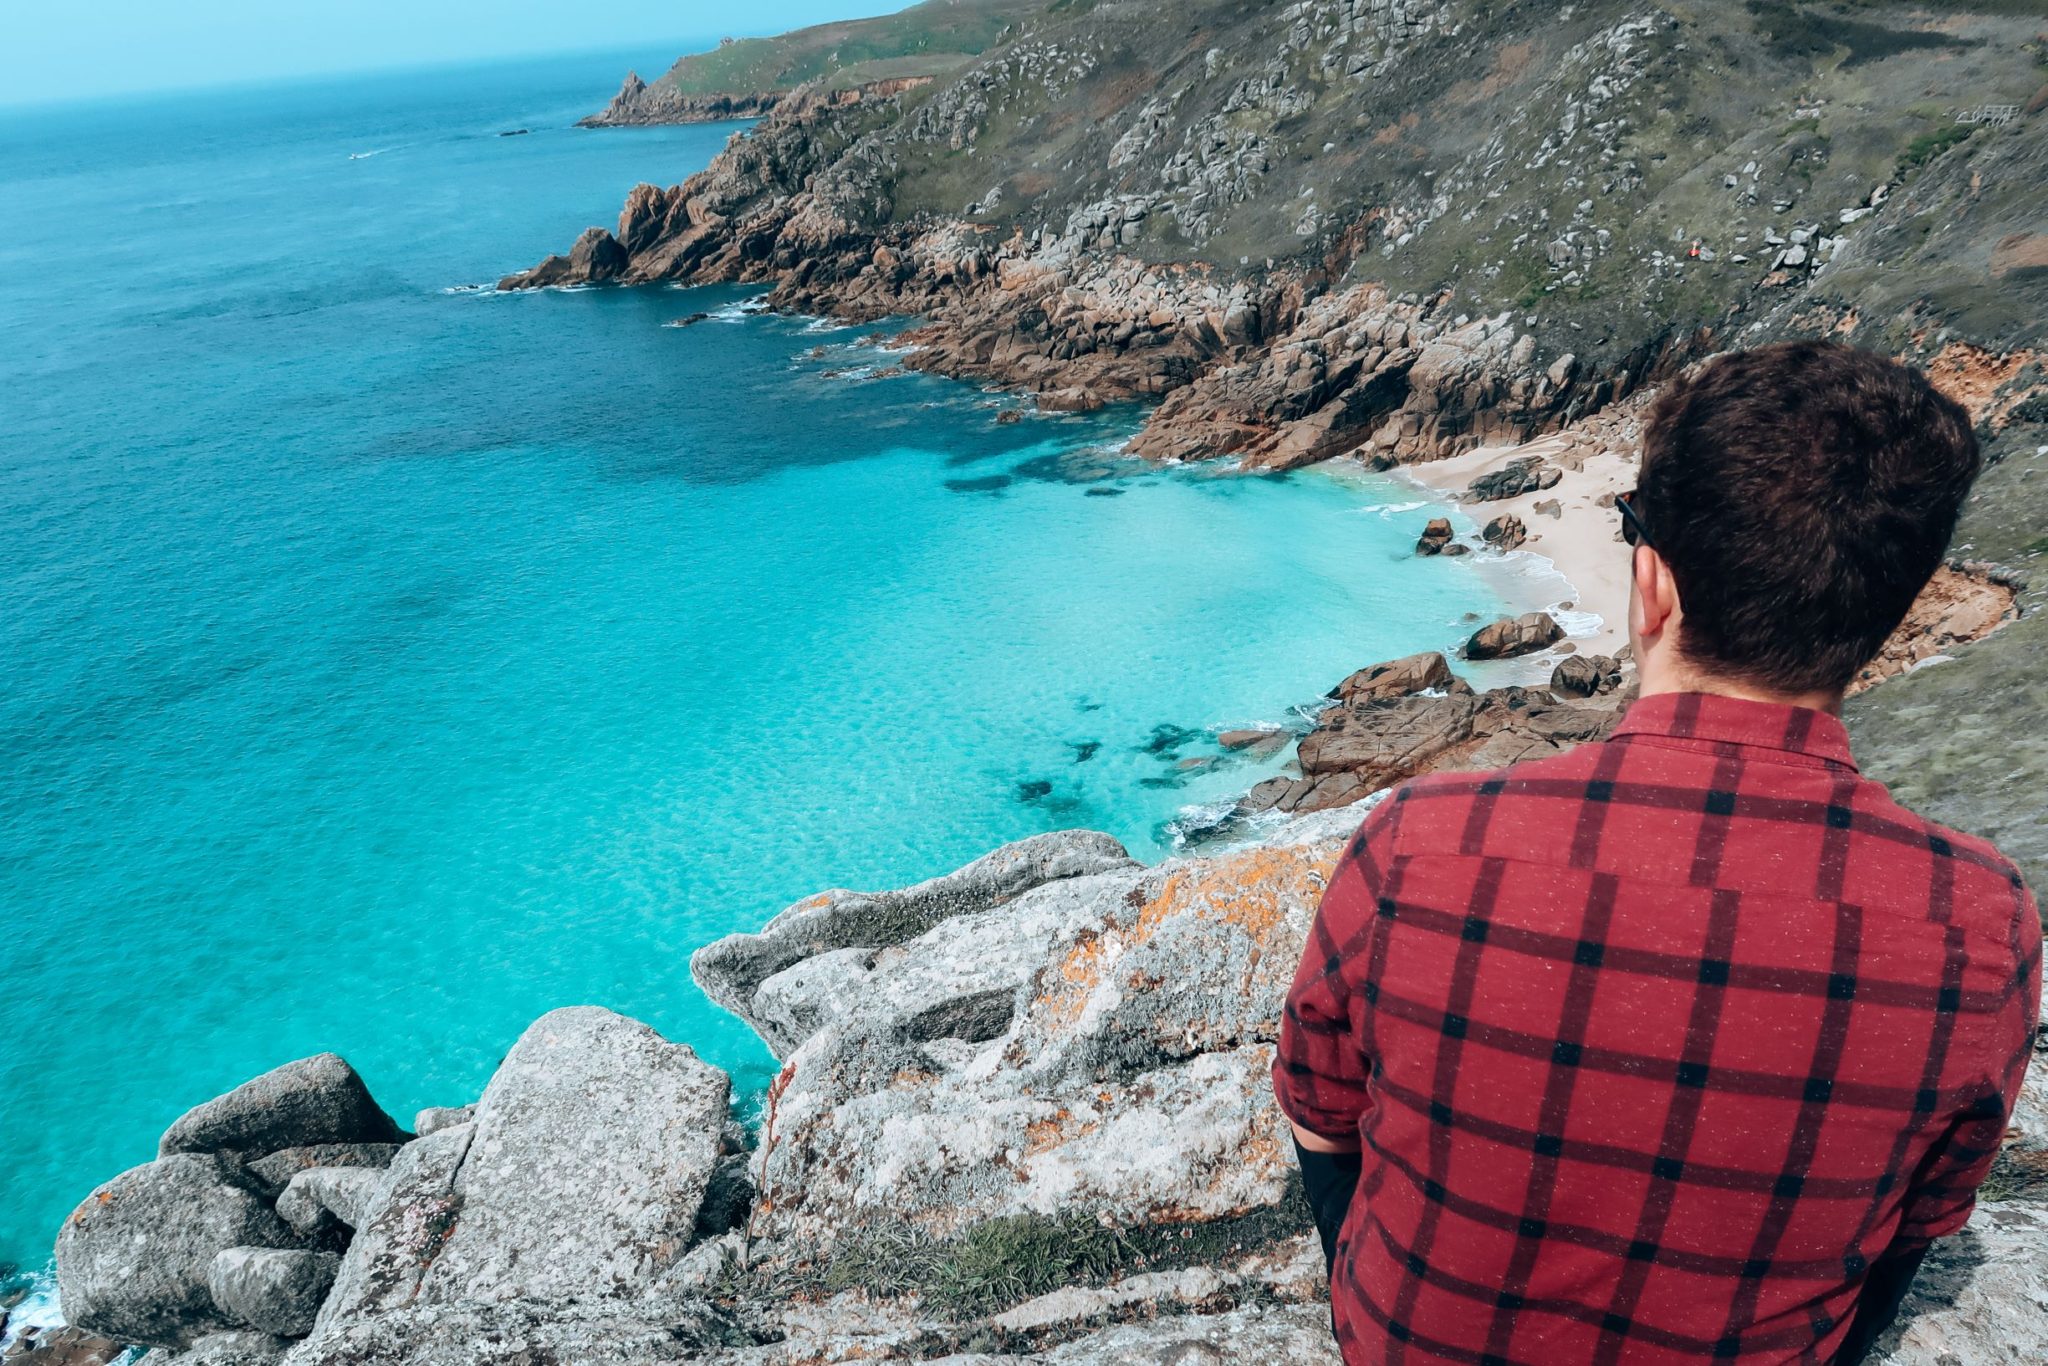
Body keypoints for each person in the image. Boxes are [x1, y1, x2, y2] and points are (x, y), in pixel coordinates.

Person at [1273, 341, 2041, 1364]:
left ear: (1650, 587)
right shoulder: (1978, 926)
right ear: (1887, 616)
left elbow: (1322, 1123)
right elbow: (1916, 1223)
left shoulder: (1417, 842)